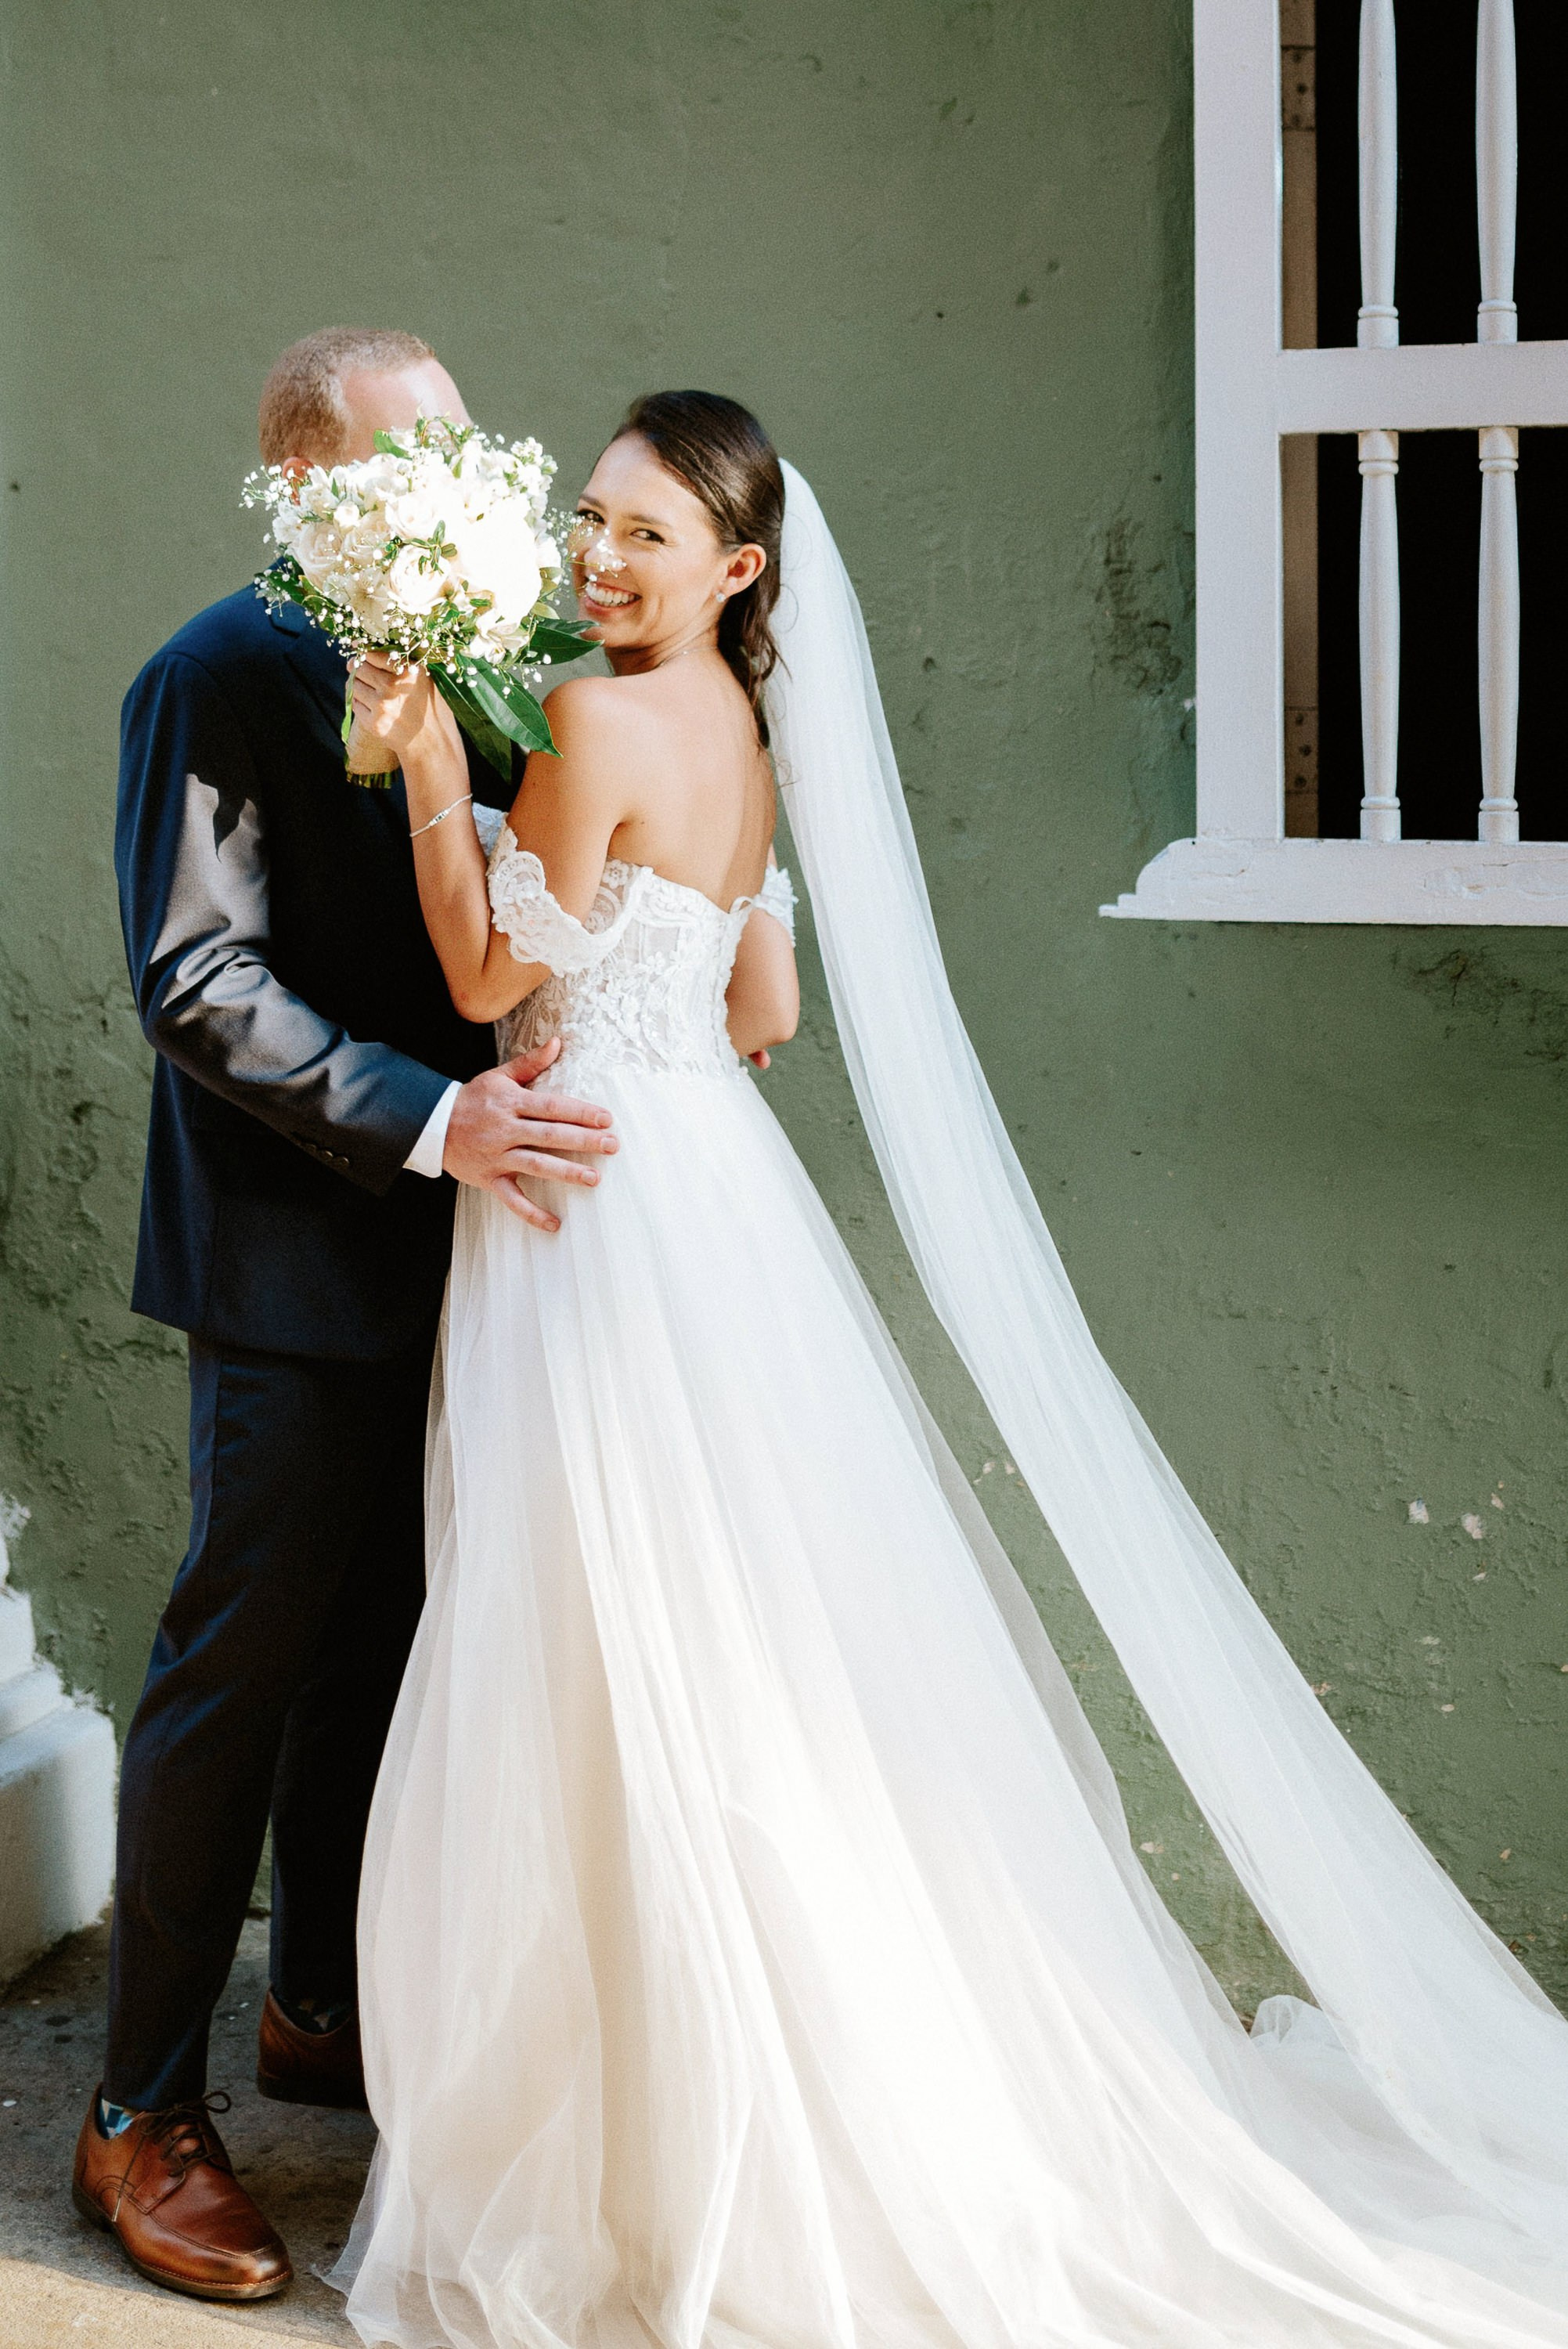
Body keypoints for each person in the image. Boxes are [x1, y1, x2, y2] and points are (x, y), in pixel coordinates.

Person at [333, 389, 1568, 2347]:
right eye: (589, 520)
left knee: (611, 1631)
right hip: (724, 1206)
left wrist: (422, 775)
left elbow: (489, 984)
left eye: (645, 534)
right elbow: (765, 1009)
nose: (596, 557)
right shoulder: (751, 734)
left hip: (594, 1207)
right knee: (771, 1646)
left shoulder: (580, 717)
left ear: (738, 565)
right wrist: (611, 922)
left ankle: (659, 2128)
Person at [75, 327, 618, 2304]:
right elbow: (195, 980)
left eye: (473, 450)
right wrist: (434, 1117)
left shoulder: (476, 659)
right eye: (420, 463)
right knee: (243, 1657)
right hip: (292, 1269)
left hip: (477, 1264)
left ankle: (316, 2003)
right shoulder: (213, 670)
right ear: (312, 491)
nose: (468, 487)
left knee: (386, 1655)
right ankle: (138, 2110)